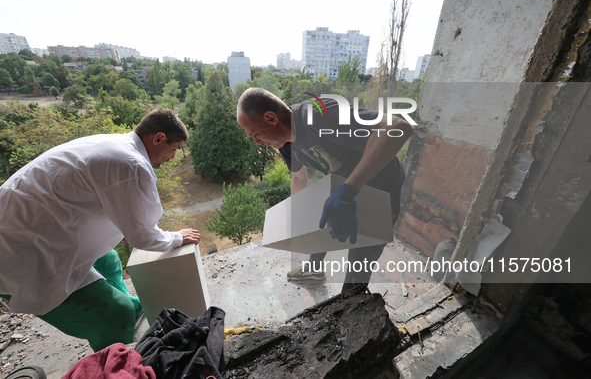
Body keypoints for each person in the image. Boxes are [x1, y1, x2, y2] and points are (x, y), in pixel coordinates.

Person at [0, 108, 201, 351]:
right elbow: (141, 236)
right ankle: (113, 357)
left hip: (30, 226)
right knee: (115, 313)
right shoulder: (130, 164)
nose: (173, 157)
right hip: (21, 253)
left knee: (109, 260)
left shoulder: (114, 145)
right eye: (174, 148)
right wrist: (176, 238)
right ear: (158, 138)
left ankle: (133, 309)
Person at [236, 88, 414, 292]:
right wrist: (298, 215)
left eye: (255, 134)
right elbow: (298, 176)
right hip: (345, 185)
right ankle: (314, 268)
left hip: (382, 189)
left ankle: (351, 301)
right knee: (319, 222)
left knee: (360, 259)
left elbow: (399, 127)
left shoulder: (320, 116)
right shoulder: (285, 144)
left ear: (270, 118)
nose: (257, 142)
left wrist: (346, 192)